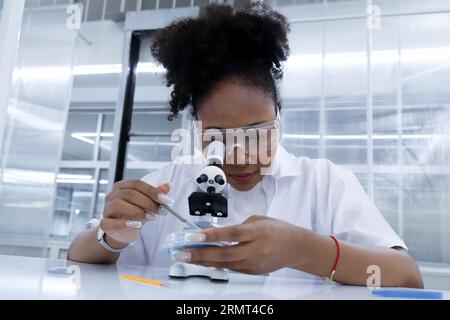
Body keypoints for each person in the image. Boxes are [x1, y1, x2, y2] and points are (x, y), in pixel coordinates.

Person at [68, 3, 423, 288]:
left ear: (278, 115)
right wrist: (109, 237)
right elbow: (79, 261)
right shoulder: (168, 183)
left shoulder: (324, 183)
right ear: (198, 130)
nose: (239, 156)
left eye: (256, 131)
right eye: (218, 137)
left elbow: (406, 277)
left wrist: (303, 250)